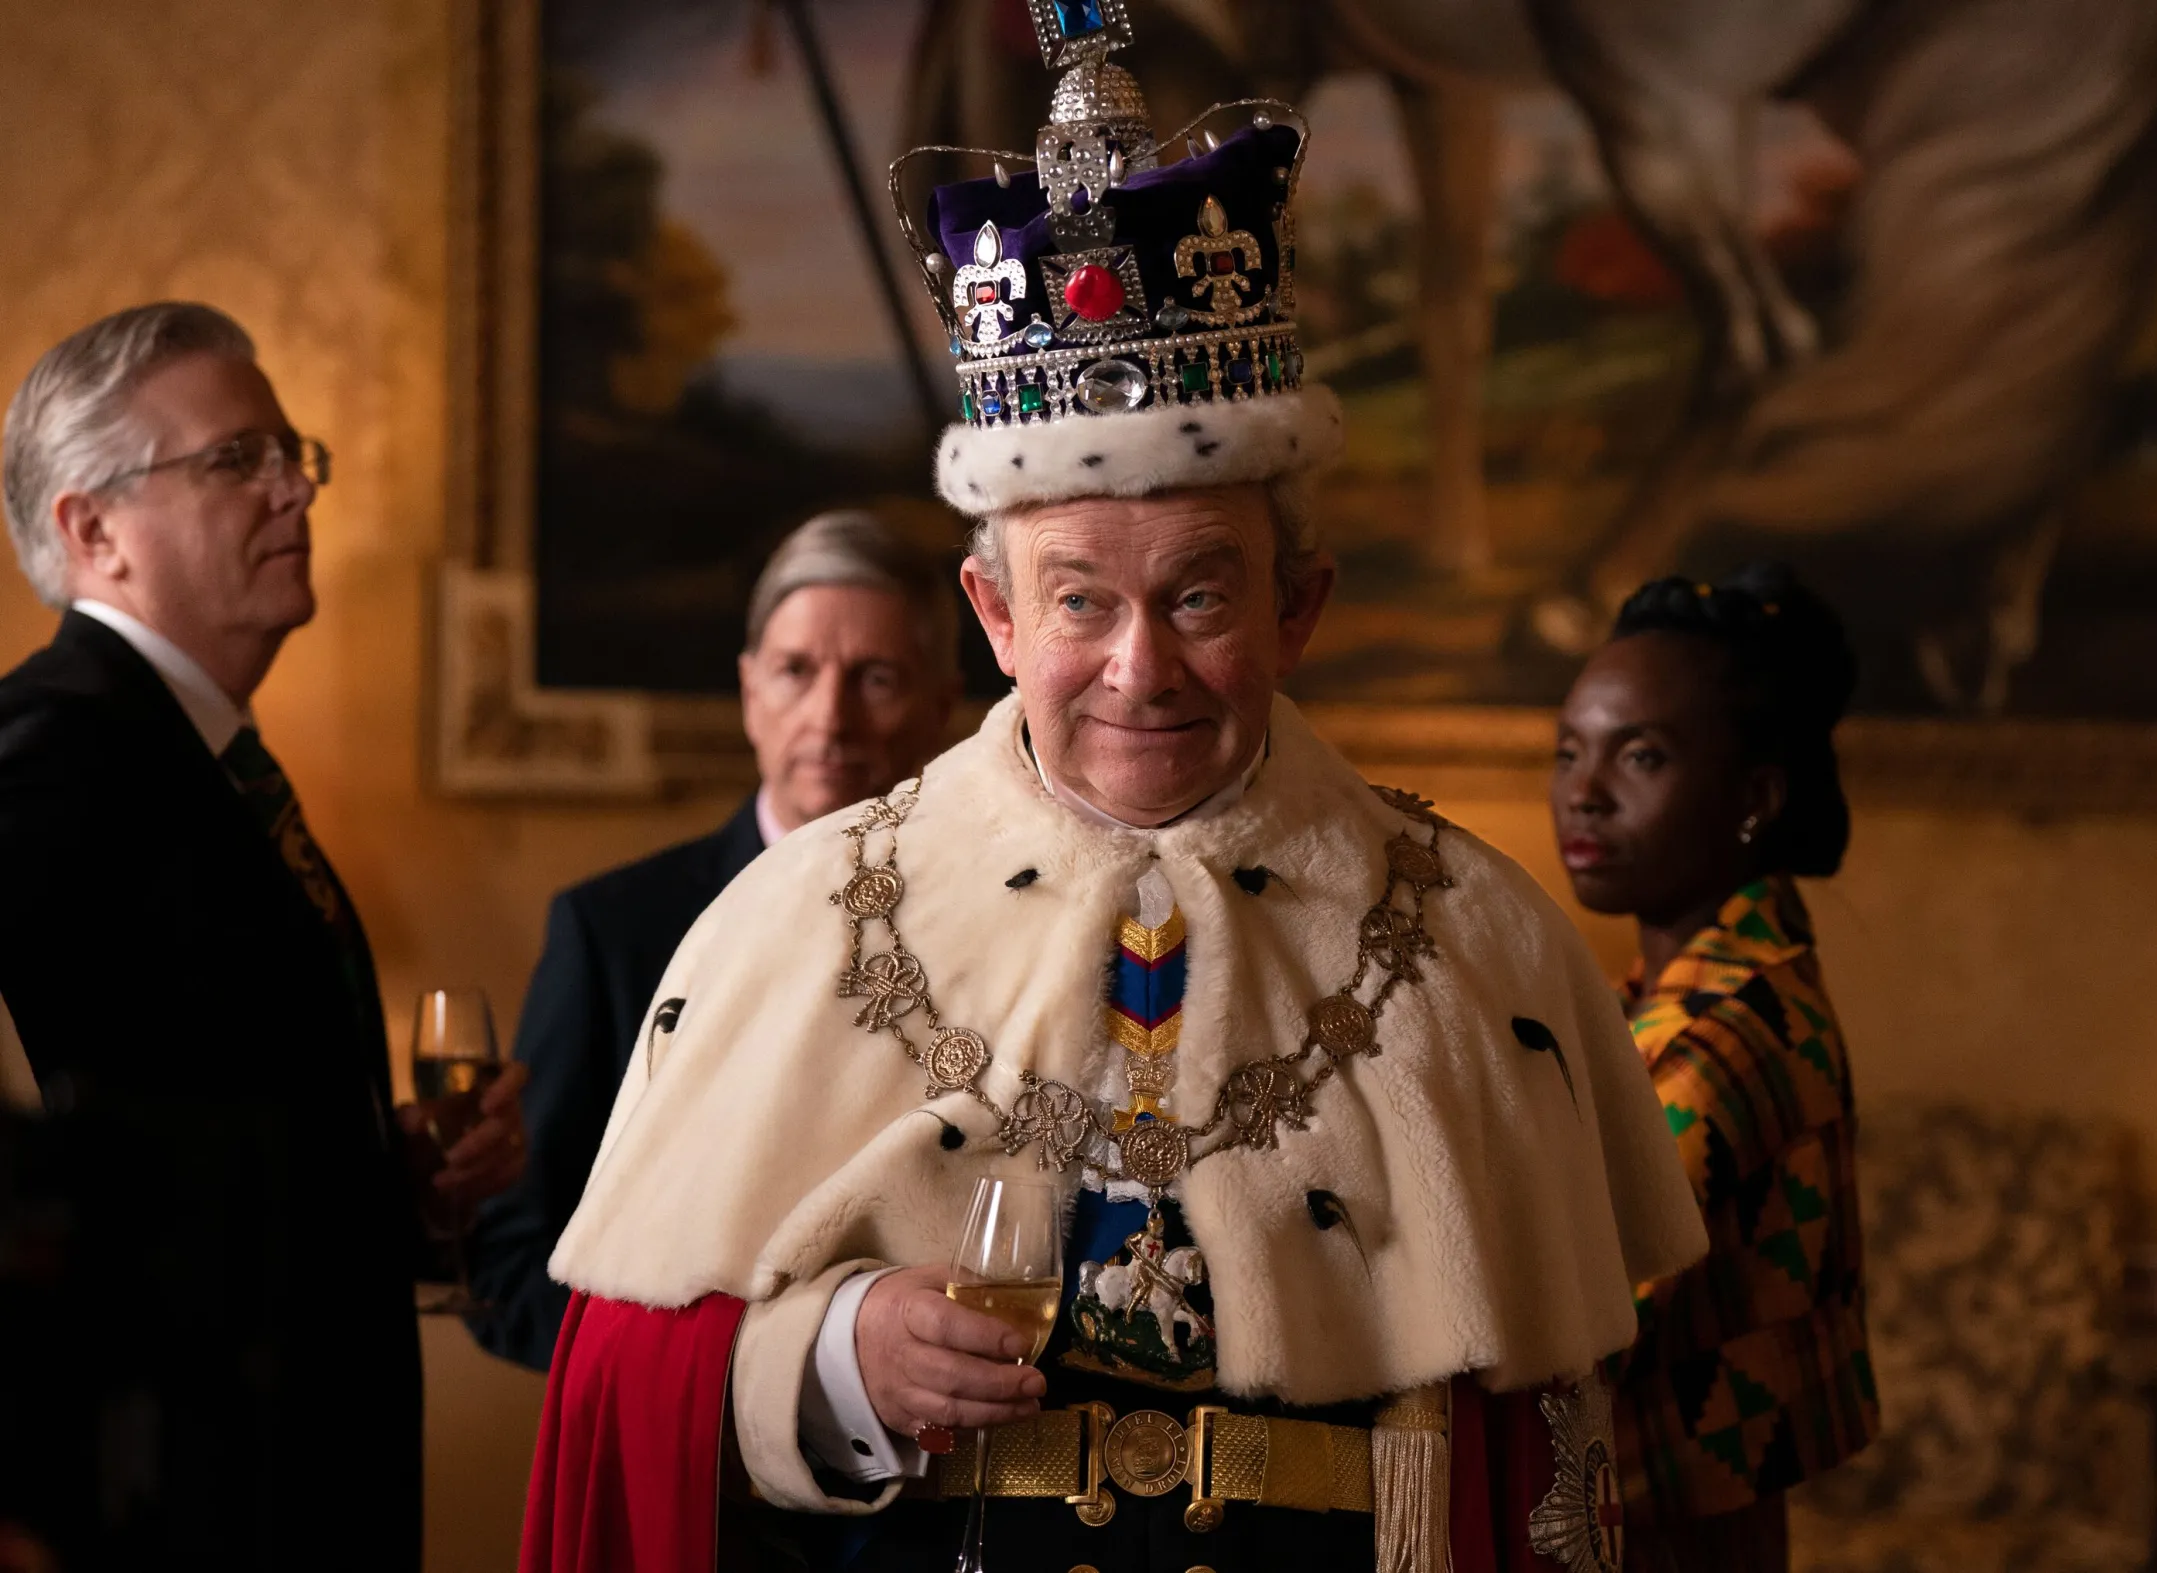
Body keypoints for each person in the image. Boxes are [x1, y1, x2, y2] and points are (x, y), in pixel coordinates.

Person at [517, 16, 1708, 1572]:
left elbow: (1565, 1466)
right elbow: (614, 1392)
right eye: (1081, 602)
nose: (1141, 670)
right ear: (995, 614)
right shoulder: (794, 923)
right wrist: (820, 1364)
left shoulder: (1486, 943)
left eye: (1203, 597)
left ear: (1303, 606)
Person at [0, 302, 528, 1570]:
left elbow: (198, 1120)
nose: (296, 489)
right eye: (238, 459)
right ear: (94, 529)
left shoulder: (205, 757)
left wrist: (391, 1180)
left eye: (293, 454)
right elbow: (63, 1186)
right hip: (173, 1504)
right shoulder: (48, 760)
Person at [467, 510, 960, 1370]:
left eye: (876, 677)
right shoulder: (611, 932)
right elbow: (510, 1264)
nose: (829, 717)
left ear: (942, 704)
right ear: (749, 693)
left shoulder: (1007, 928)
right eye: (795, 671)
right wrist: (730, 1384)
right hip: (695, 1463)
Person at [1550, 565, 1880, 1573]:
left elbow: (1576, 1310)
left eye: (1638, 755)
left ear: (1754, 796)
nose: (1582, 791)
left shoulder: (1718, 1031)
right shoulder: (1712, 987)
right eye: (1568, 751)